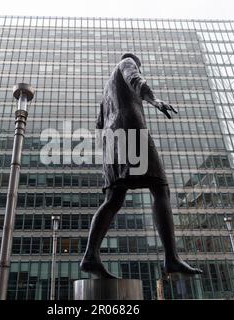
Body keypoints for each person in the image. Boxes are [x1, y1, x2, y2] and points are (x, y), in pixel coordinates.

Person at [80, 53, 202, 278]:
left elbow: (98, 125)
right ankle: (171, 258)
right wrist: (155, 100)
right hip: (130, 130)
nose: (138, 67)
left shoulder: (106, 91)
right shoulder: (126, 63)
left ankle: (90, 256)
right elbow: (135, 79)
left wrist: (110, 154)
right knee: (160, 188)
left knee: (113, 199)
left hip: (111, 143)